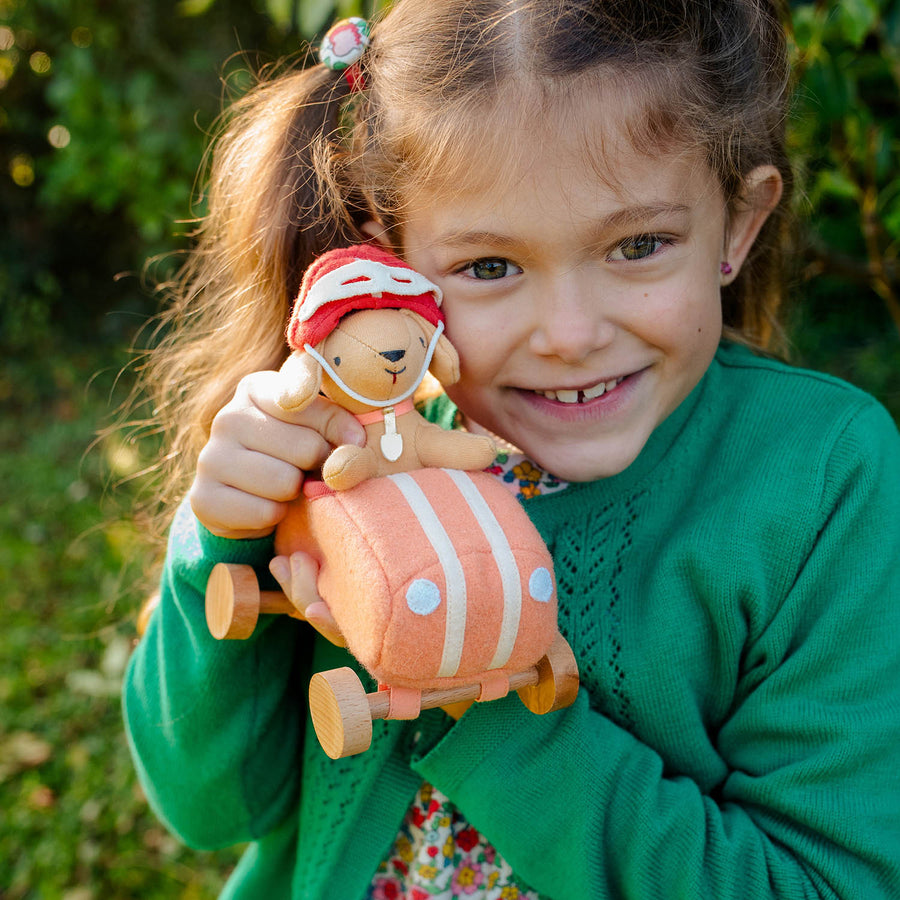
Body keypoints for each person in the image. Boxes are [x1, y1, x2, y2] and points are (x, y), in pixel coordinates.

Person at [122, 2, 900, 898]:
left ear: (736, 224)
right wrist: (222, 543)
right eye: (490, 267)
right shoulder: (362, 446)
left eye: (638, 245)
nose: (568, 335)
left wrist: (475, 691)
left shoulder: (821, 480)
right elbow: (209, 808)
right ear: (393, 256)